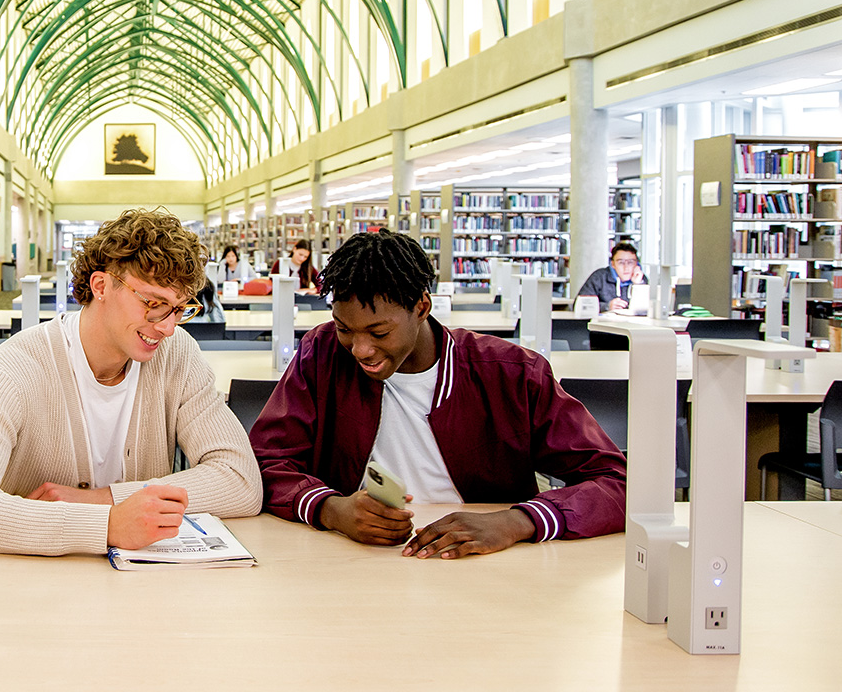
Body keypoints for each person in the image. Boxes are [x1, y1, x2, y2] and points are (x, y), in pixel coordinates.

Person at [250, 230, 626, 559]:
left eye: (379, 333)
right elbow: (264, 462)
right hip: (352, 560)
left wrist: (516, 522)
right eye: (345, 328)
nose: (359, 349)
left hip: (490, 568)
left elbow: (616, 483)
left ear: (422, 307)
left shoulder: (511, 373)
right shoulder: (324, 352)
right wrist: (330, 509)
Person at [0, 208, 262, 555]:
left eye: (178, 309)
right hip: (29, 584)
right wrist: (110, 525)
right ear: (100, 285)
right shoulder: (16, 367)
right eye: (153, 304)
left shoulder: (178, 356)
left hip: (140, 588)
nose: (167, 326)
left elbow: (241, 480)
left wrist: (103, 500)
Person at [579, 242, 644, 312]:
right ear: (613, 264)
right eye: (621, 262)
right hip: (602, 322)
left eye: (631, 262)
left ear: (637, 264)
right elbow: (581, 305)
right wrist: (607, 306)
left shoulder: (641, 279)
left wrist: (638, 285)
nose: (626, 267)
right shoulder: (599, 277)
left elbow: (647, 308)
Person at [199, 245, 253, 323]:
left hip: (241, 294)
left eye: (233, 256)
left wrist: (239, 280)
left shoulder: (244, 265)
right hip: (226, 294)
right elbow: (220, 280)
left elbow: (254, 278)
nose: (230, 258)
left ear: (236, 256)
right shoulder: (223, 266)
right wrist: (222, 264)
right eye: (228, 256)